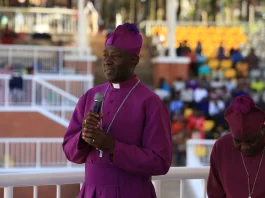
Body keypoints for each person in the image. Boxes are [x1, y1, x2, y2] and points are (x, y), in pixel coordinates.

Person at [62, 23, 172, 198]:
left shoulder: (151, 102)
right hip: (91, 193)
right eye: (105, 55)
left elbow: (161, 162)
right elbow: (69, 151)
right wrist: (83, 138)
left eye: (115, 56)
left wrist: (113, 147)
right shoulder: (90, 96)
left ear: (133, 60)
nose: (107, 61)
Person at [207, 95, 265, 198]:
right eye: (237, 141)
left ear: (263, 129)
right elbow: (215, 192)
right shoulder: (221, 147)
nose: (244, 147)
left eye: (251, 141)